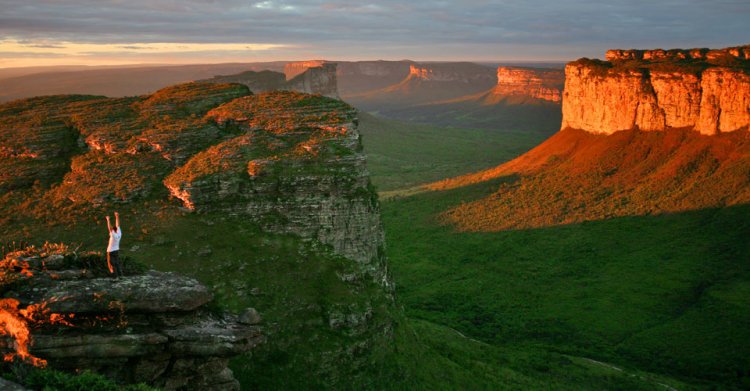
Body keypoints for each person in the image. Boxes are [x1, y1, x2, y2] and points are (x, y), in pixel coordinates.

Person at [105, 212, 123, 278]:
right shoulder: (119, 233)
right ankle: (120, 275)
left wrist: (108, 220)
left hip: (110, 251)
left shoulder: (113, 235)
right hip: (116, 250)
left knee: (110, 265)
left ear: (113, 230)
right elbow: (117, 225)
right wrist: (117, 216)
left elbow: (109, 227)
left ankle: (114, 277)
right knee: (117, 263)